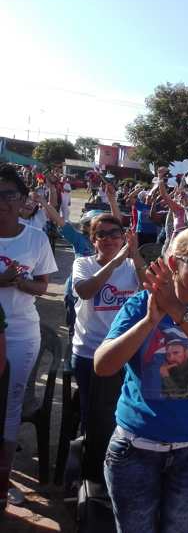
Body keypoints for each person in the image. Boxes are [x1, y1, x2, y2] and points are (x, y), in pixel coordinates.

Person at [93, 227, 188, 533]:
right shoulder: (139, 305)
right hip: (135, 449)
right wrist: (150, 320)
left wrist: (175, 309)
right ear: (174, 263)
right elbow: (103, 365)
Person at [0, 165, 57, 513]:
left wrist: (20, 282)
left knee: (9, 407)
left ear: (23, 200)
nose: (2, 202)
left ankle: (2, 484)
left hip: (21, 334)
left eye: (10, 195)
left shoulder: (35, 238)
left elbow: (43, 286)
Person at [71, 214, 145, 430]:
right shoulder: (83, 264)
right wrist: (115, 262)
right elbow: (85, 291)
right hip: (90, 352)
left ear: (124, 239)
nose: (109, 239)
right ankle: (90, 456)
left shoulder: (132, 265)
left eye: (115, 234)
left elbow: (150, 288)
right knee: (93, 415)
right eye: (102, 234)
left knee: (125, 411)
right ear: (93, 240)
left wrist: (135, 255)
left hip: (126, 350)